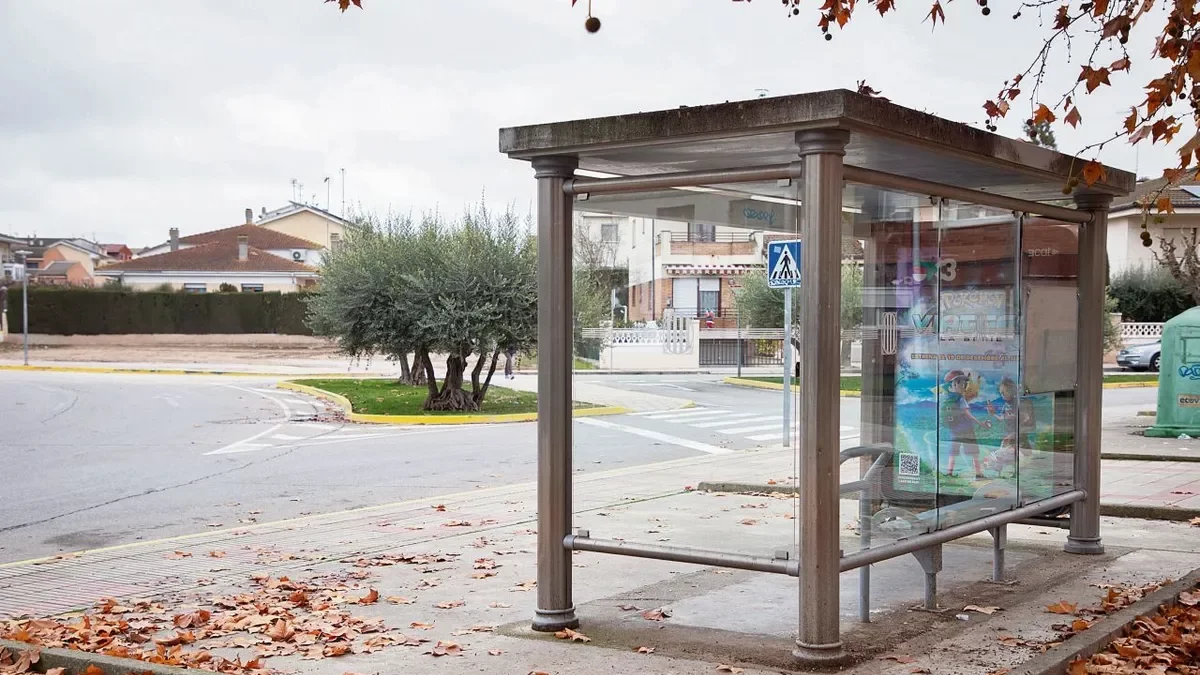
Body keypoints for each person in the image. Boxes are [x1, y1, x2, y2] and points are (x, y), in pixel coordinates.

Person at [941, 369, 991, 480]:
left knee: (953, 453)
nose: (963, 386)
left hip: (955, 430)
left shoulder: (947, 398)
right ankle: (978, 474)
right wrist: (980, 423)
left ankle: (949, 473)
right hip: (967, 430)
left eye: (964, 383)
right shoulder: (961, 399)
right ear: (952, 385)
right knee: (974, 453)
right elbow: (968, 414)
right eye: (960, 383)